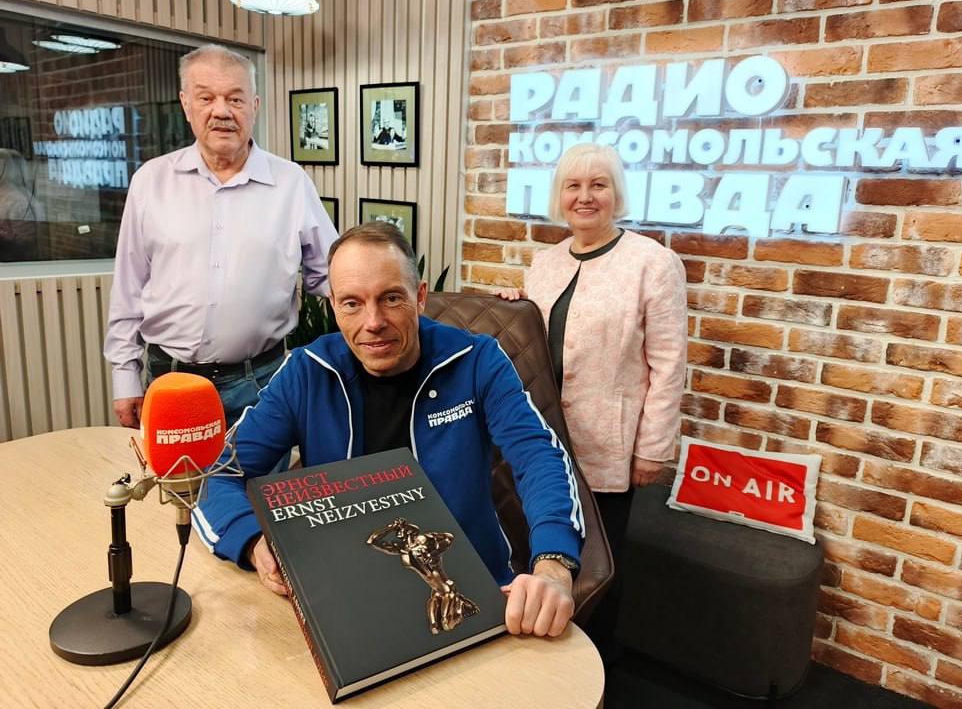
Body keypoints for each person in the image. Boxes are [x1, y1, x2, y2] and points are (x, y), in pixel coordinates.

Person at [194, 223, 585, 638]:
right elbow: (218, 475)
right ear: (333, 306)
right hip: (344, 594)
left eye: (391, 298)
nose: (373, 321)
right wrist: (253, 543)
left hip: (472, 590)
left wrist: (554, 565)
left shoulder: (477, 361)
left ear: (420, 297)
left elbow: (539, 457)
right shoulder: (306, 373)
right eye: (352, 303)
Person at [499, 142, 687, 655]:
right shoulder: (544, 263)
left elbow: (669, 365)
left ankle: (594, 665)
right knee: (542, 549)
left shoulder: (653, 263)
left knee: (598, 565)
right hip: (543, 440)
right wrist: (516, 310)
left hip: (609, 444)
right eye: (574, 186)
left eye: (598, 185)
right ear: (560, 196)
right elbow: (541, 339)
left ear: (615, 193)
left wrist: (653, 448)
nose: (585, 196)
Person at [104, 44, 337, 431]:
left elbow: (331, 276)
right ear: (186, 104)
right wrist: (124, 375)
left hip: (262, 383)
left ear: (254, 106)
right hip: (170, 380)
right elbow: (129, 288)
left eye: (235, 98)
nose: (222, 111)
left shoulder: (291, 183)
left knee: (261, 474)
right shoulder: (151, 181)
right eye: (206, 98)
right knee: (175, 475)